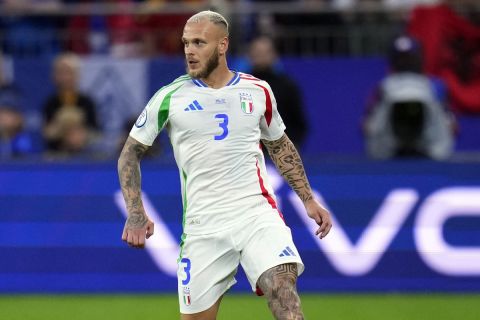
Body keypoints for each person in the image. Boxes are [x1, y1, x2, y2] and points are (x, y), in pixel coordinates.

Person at [118, 10, 332, 320]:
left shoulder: (258, 91)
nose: (189, 50)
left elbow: (279, 145)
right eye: (186, 43)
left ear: (222, 45)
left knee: (283, 291)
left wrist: (308, 199)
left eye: (199, 43)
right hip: (204, 226)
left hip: (256, 214)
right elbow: (129, 153)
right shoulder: (170, 97)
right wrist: (136, 213)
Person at [363, 35, 455, 160]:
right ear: (393, 60)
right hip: (390, 153)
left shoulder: (434, 86)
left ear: (419, 58)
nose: (405, 62)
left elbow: (451, 124)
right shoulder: (384, 87)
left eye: (409, 58)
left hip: (430, 151)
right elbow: (367, 124)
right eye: (400, 58)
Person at [247, 36, 308, 149]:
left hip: (279, 152)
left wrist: (289, 150)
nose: (260, 55)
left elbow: (298, 121)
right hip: (248, 154)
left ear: (274, 55)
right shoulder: (240, 86)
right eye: (257, 52)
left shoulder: (286, 86)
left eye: (265, 52)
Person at [41, 52, 100, 154]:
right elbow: (47, 133)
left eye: (69, 72)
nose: (65, 77)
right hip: (57, 154)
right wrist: (62, 129)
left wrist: (81, 135)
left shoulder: (87, 102)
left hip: (86, 154)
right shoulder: (50, 103)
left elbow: (96, 132)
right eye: (61, 73)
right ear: (55, 76)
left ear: (77, 75)